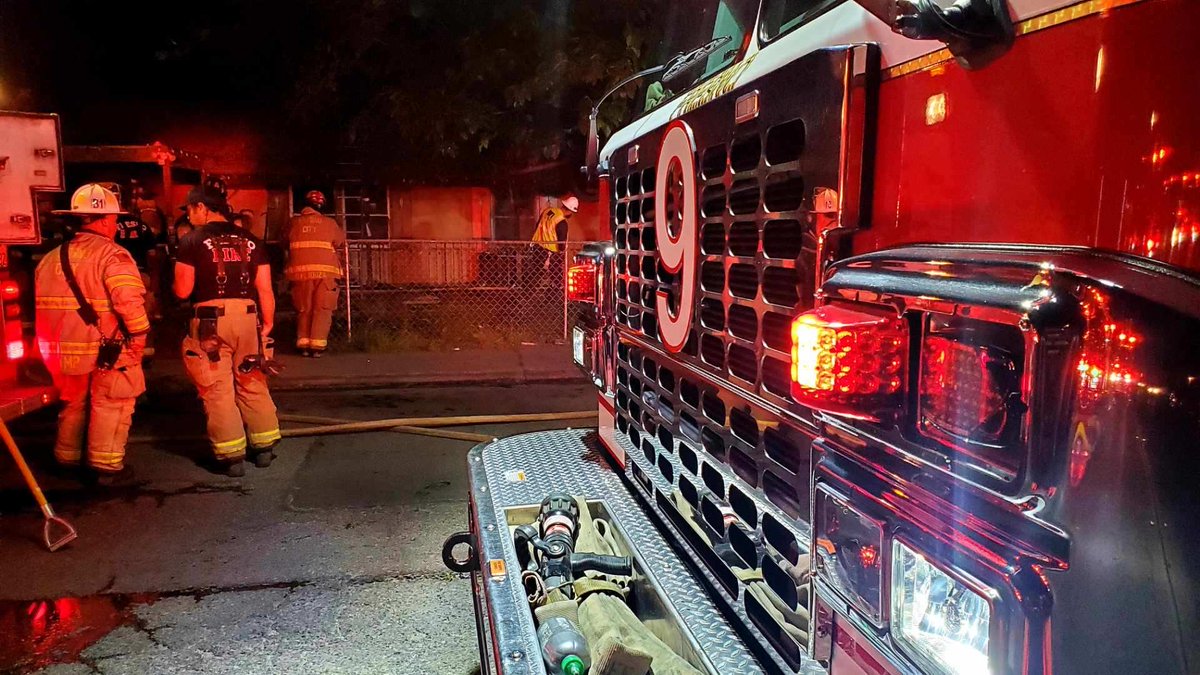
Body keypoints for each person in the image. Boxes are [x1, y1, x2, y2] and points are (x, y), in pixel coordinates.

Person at [35, 184, 150, 484]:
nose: (114, 224)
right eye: (113, 218)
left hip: (62, 352)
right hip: (107, 348)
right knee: (113, 403)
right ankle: (105, 467)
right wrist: (138, 339)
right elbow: (128, 302)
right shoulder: (113, 256)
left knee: (73, 403)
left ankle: (67, 459)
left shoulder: (50, 258)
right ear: (103, 220)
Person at [174, 185, 281, 477]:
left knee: (217, 389)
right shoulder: (252, 241)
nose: (190, 217)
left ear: (201, 208)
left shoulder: (191, 241)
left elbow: (183, 290)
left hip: (209, 322)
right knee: (252, 380)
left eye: (191, 211)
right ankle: (264, 448)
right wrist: (267, 323)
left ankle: (232, 456)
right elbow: (265, 289)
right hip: (248, 318)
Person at [283, 190, 344, 357]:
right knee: (322, 309)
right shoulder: (330, 223)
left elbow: (283, 241)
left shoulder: (292, 223)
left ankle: (303, 345)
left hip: (299, 275)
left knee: (304, 309)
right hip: (325, 275)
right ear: (322, 206)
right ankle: (317, 348)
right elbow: (339, 241)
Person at [530, 194, 578, 285]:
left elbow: (538, 226)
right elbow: (561, 242)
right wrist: (562, 252)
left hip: (537, 247)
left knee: (534, 274)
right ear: (570, 210)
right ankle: (553, 295)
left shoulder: (547, 211)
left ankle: (526, 293)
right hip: (551, 252)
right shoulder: (562, 221)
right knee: (556, 277)